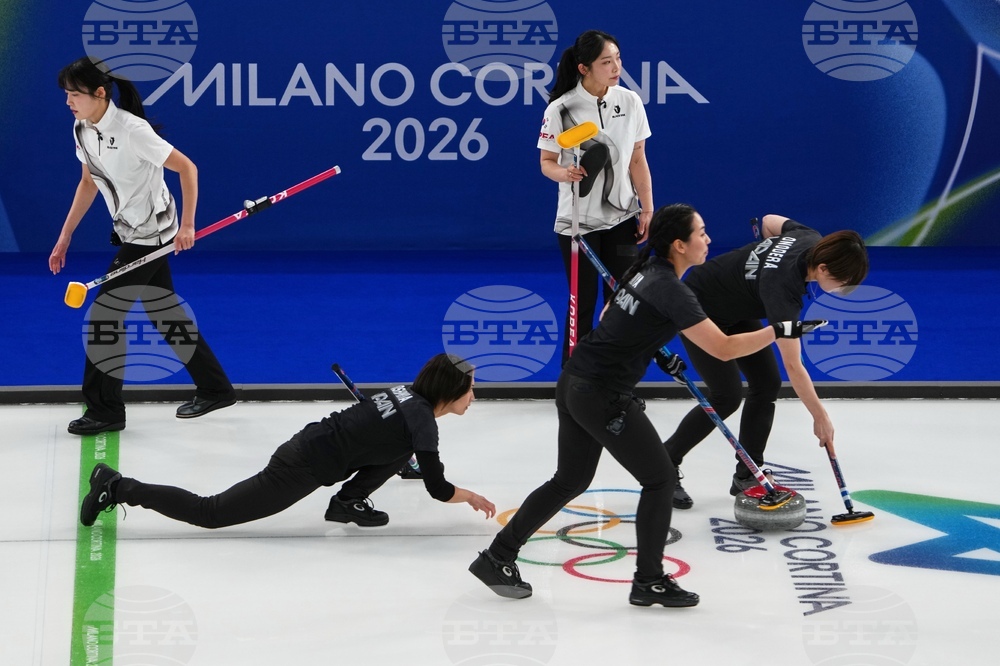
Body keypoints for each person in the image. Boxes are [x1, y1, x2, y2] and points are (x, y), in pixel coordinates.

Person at [468, 204, 825, 607]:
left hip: (575, 382)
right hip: (602, 394)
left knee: (569, 480)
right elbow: (724, 348)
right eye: (701, 233)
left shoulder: (646, 270)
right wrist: (779, 330)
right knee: (659, 480)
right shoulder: (673, 290)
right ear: (679, 245)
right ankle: (649, 580)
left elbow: (613, 316)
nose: (708, 239)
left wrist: (653, 349)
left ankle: (497, 556)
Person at [79, 354, 495, 530]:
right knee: (211, 512)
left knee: (398, 450)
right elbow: (438, 489)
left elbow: (384, 439)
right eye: (470, 388)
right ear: (450, 390)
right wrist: (471, 496)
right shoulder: (423, 424)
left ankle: (347, 502)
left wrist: (405, 459)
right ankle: (118, 487)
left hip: (312, 445)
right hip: (300, 466)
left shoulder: (407, 394)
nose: (473, 396)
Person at [49, 57, 235, 436]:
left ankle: (105, 411)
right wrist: (65, 235)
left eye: (75, 94)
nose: (68, 101)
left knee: (105, 316)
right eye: (66, 94)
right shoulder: (82, 128)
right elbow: (88, 182)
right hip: (129, 230)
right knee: (163, 310)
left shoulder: (133, 130)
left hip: (152, 234)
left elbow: (187, 168)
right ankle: (215, 387)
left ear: (100, 93)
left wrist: (187, 225)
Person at [665, 214, 869, 510]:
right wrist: (820, 416)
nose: (843, 291)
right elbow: (793, 365)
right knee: (726, 395)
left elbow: (770, 221)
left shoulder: (809, 237)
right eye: (843, 284)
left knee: (766, 383)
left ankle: (747, 472)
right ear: (823, 268)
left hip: (735, 303)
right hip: (698, 305)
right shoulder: (783, 289)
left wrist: (766, 255)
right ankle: (665, 463)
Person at [537, 29, 654, 365]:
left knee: (622, 300)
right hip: (577, 223)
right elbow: (547, 163)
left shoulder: (630, 101)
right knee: (583, 302)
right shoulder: (561, 109)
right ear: (584, 68)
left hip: (622, 216)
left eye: (618, 58)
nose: (616, 67)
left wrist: (647, 208)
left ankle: (616, 377)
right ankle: (574, 379)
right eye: (606, 62)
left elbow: (637, 159)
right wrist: (565, 173)